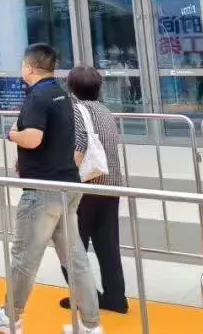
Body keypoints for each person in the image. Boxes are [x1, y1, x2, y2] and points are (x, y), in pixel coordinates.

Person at [0, 44, 103, 334]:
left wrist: (11, 135)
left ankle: (10, 317)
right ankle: (91, 324)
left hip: (42, 191)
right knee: (76, 260)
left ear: (30, 68)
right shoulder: (61, 94)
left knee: (23, 258)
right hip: (67, 185)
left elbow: (33, 138)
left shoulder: (37, 97)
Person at [61, 66, 127, 315]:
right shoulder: (105, 110)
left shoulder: (76, 110)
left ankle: (86, 298)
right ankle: (116, 297)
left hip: (86, 187)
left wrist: (65, 175)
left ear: (70, 88)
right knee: (108, 244)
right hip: (110, 186)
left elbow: (80, 142)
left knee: (71, 247)